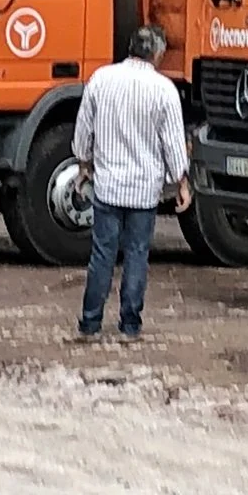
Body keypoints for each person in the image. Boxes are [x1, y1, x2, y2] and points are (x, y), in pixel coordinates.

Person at [71, 25, 190, 341]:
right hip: (144, 190)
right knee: (137, 254)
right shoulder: (163, 90)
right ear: (158, 53)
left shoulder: (101, 79)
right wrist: (181, 181)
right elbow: (173, 142)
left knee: (102, 254)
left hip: (108, 185)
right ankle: (130, 324)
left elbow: (84, 127)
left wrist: (84, 163)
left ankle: (90, 322)